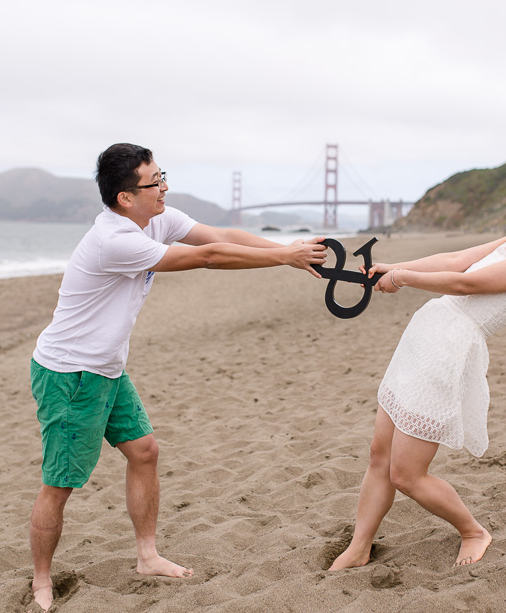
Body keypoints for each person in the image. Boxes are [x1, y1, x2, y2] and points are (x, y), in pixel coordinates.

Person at [29, 143, 327, 610]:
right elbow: (207, 257)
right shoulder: (115, 240)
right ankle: (42, 582)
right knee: (60, 483)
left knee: (144, 451)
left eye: (162, 175)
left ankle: (147, 556)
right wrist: (282, 258)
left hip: (106, 367)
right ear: (126, 197)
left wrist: (289, 250)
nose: (165, 186)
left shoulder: (154, 218)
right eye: (154, 181)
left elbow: (222, 233)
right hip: (71, 373)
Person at [328, 150, 506, 571]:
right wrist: (393, 266)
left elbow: (469, 282)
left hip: (449, 351)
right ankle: (359, 547)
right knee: (380, 453)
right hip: (424, 338)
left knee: (407, 473)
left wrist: (404, 279)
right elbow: (456, 260)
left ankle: (473, 531)